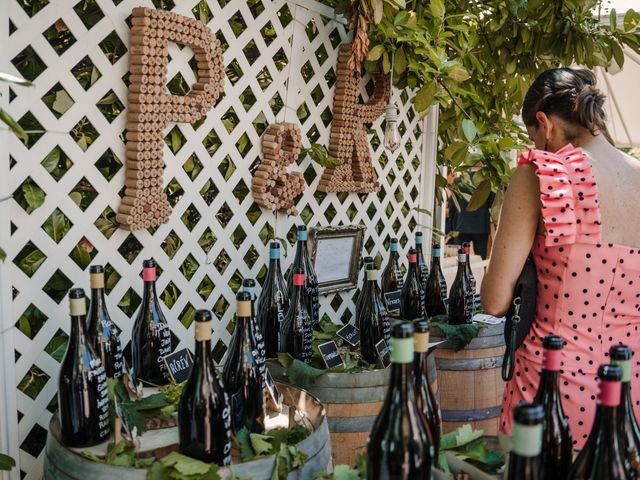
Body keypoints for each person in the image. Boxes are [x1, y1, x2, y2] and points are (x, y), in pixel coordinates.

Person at [480, 68, 640, 449]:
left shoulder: (541, 174)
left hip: (551, 394)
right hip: (630, 393)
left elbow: (495, 299)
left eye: (533, 136)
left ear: (544, 124)